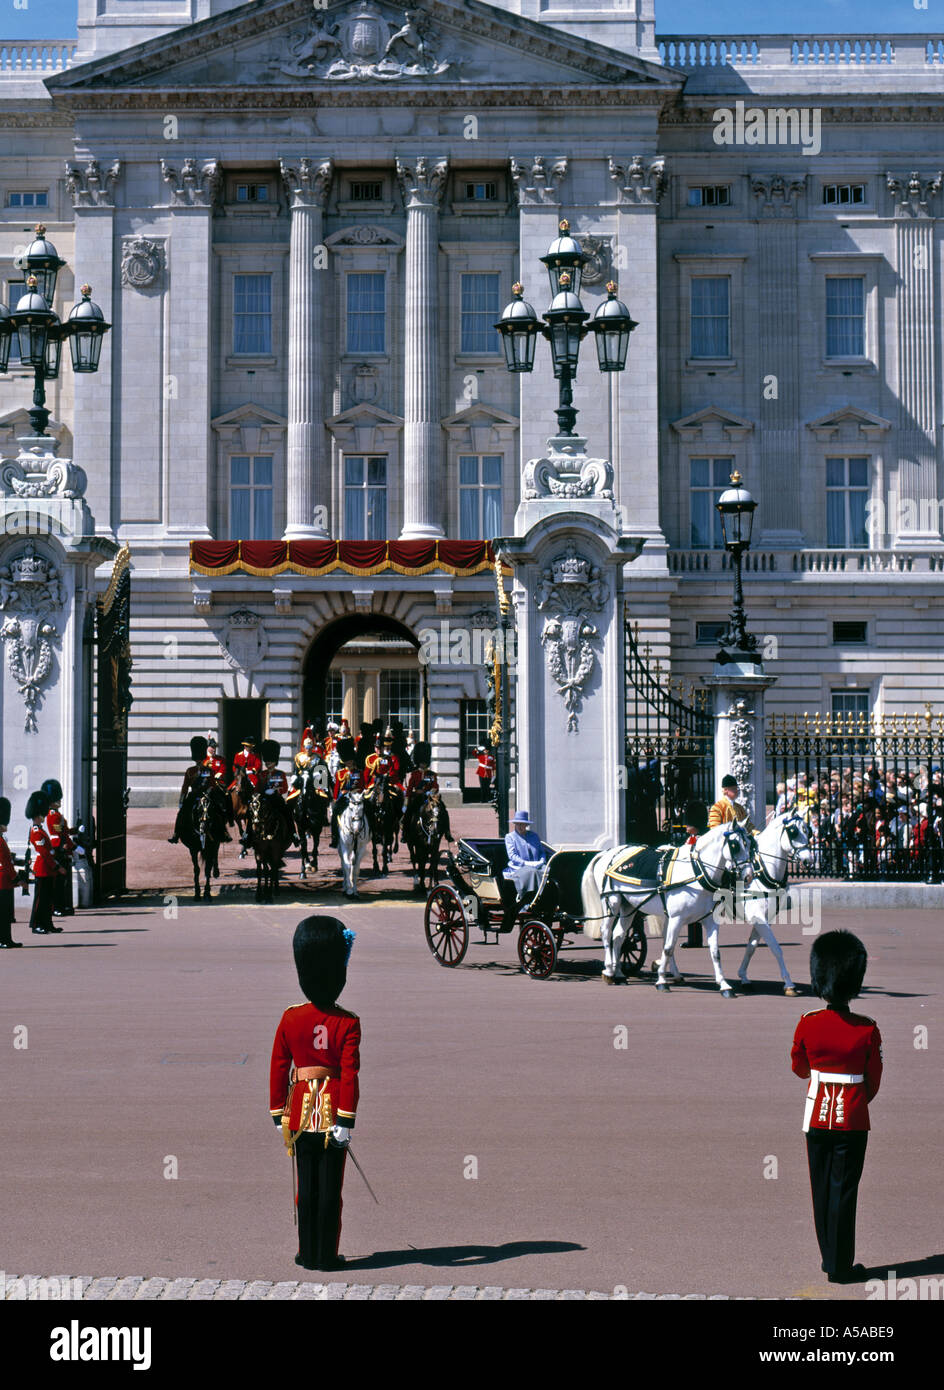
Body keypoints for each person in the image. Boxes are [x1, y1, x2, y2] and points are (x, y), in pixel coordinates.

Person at [791, 930, 882, 1284]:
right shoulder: (867, 1029)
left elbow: (799, 1067)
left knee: (820, 1188)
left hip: (815, 1116)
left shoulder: (808, 1022)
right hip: (854, 1119)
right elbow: (872, 1080)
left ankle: (829, 1257)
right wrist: (856, 1100)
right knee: (844, 1191)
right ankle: (841, 1265)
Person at [269, 916, 360, 1272]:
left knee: (305, 1190)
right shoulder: (348, 1022)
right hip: (334, 1111)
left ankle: (306, 1253)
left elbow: (278, 1066)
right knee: (329, 1193)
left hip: (299, 1113)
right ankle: (326, 1255)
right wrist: (344, 1120)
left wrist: (278, 1112)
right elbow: (349, 1074)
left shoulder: (291, 1018)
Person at [500, 809, 548, 930]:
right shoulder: (510, 837)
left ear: (527, 825)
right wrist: (527, 863)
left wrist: (541, 861)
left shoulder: (534, 836)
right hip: (517, 868)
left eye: (523, 824)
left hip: (536, 866)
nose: (520, 827)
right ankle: (525, 903)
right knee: (531, 872)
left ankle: (544, 900)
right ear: (515, 824)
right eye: (518, 824)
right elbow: (512, 856)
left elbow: (542, 852)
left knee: (547, 872)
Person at [26, 791, 65, 935]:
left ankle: (47, 923)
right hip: (43, 868)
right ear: (37, 815)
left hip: (48, 868)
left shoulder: (41, 830)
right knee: (40, 900)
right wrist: (57, 866)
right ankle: (36, 924)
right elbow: (44, 853)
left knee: (48, 899)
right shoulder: (36, 831)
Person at [42, 778, 75, 917]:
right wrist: (68, 846)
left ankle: (63, 906)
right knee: (60, 882)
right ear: (52, 801)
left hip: (62, 847)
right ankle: (57, 907)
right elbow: (58, 834)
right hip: (59, 849)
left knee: (64, 881)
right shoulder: (53, 816)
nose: (60, 801)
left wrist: (75, 831)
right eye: (57, 799)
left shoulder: (56, 815)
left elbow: (64, 832)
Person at [0, 796, 26, 948]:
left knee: (4, 913)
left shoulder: (2, 840)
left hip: (4, 879)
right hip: (3, 880)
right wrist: (17, 879)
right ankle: (4, 940)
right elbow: (6, 864)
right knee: (4, 914)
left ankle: (5, 939)